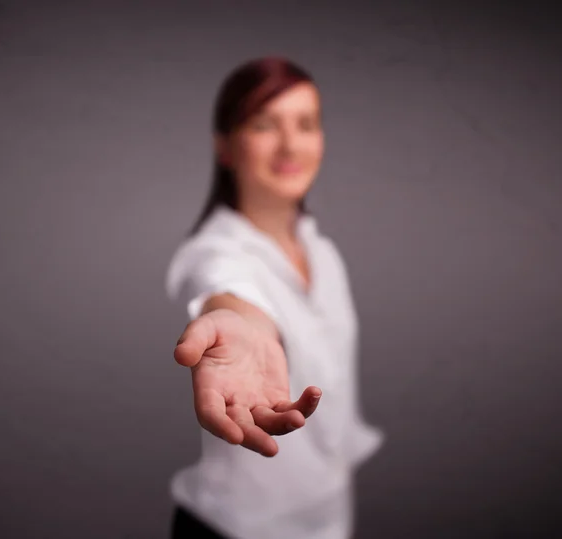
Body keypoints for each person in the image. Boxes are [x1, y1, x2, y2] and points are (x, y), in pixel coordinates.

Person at [165, 56, 385, 539]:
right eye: (265, 124)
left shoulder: (323, 252)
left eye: (306, 124)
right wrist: (240, 324)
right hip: (234, 529)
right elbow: (225, 287)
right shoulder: (213, 249)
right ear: (225, 146)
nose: (290, 144)